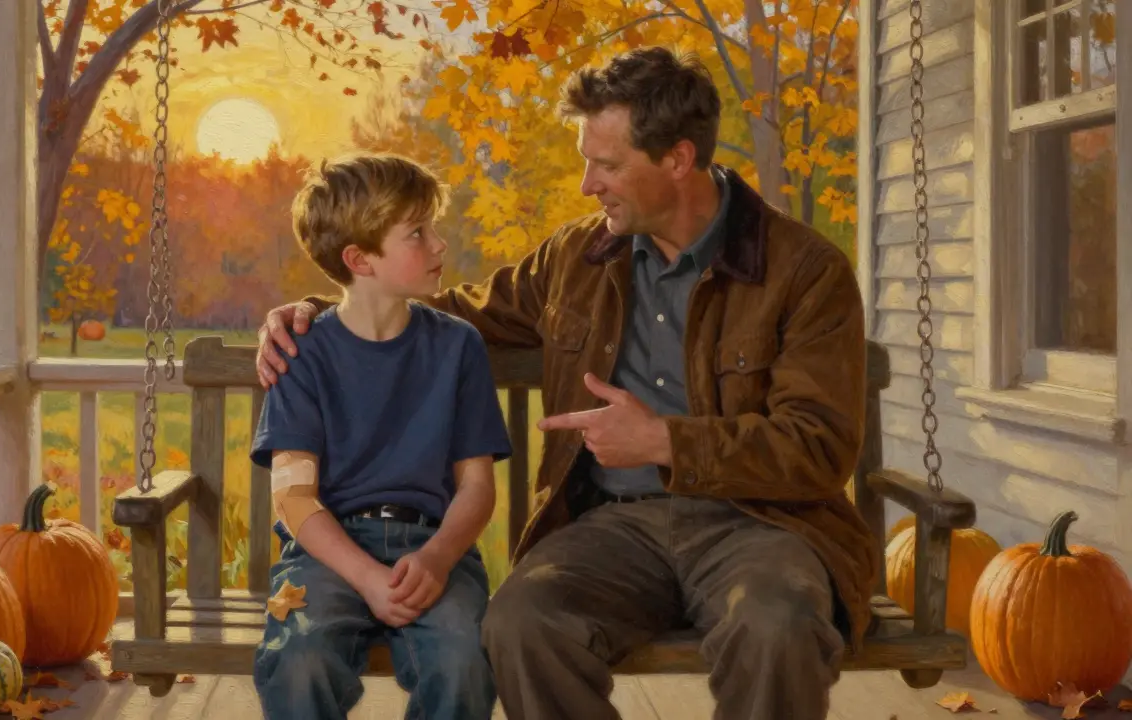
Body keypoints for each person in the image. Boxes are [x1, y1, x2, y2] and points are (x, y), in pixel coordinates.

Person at [255, 46, 878, 720]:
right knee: (522, 621)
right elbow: (439, 311)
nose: (587, 184)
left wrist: (665, 441)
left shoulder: (805, 271)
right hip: (611, 527)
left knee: (776, 625)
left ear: (677, 159)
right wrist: (321, 311)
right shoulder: (576, 257)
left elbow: (818, 447)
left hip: (758, 526)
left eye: (607, 165)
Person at [249, 152, 513, 720]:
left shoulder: (458, 346)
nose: (440, 245)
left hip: (434, 548)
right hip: (326, 557)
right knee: (299, 659)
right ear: (359, 258)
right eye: (418, 232)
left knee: (464, 661)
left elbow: (476, 486)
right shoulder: (301, 354)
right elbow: (294, 497)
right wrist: (366, 576)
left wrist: (440, 558)